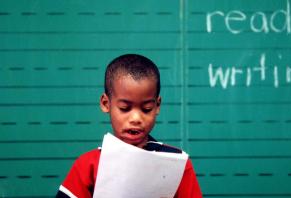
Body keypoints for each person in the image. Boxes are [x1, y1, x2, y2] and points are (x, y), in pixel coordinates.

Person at [56, 54, 202, 198]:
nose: (136, 118)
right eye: (125, 108)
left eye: (146, 109)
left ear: (157, 106)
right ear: (106, 104)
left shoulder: (176, 164)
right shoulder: (88, 166)